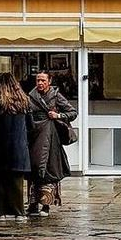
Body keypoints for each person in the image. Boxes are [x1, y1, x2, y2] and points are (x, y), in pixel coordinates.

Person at [27, 71, 77, 216]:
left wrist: (58, 115)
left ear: (49, 81)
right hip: (35, 136)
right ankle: (32, 204)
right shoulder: (30, 96)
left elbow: (72, 112)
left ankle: (46, 205)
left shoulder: (55, 96)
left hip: (51, 138)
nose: (40, 83)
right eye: (38, 80)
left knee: (49, 171)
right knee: (34, 170)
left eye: (43, 80)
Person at [0, 73, 32, 221]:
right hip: (19, 147)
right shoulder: (25, 100)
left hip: (0, 145)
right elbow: (30, 125)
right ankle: (19, 212)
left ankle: (0, 212)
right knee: (17, 182)